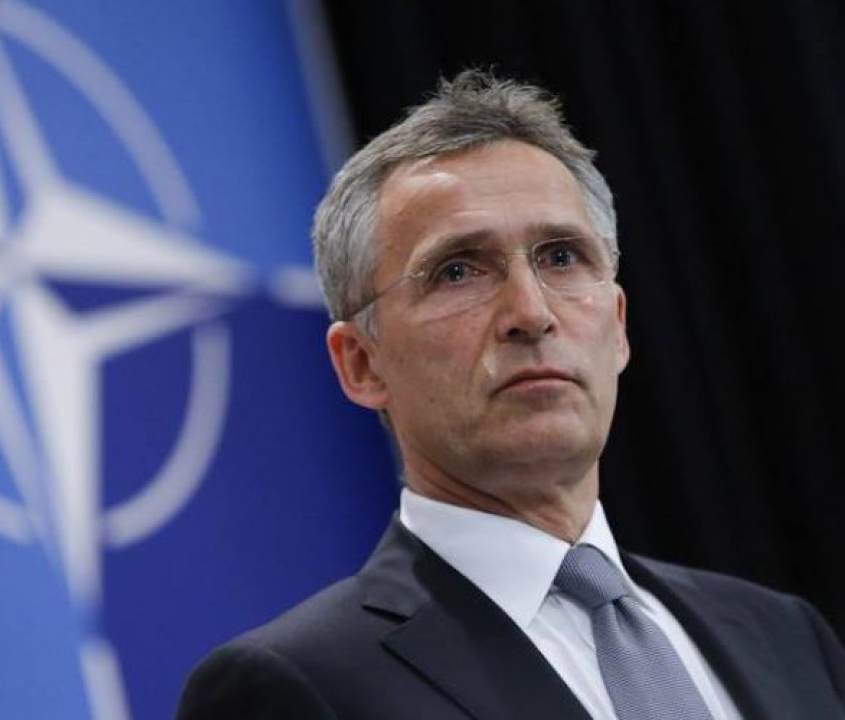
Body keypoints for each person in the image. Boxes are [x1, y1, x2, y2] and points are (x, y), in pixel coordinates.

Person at [174, 67, 845, 719]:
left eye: (561, 257)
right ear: (362, 364)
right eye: (458, 271)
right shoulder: (293, 687)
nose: (531, 312)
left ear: (617, 326)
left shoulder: (784, 637)